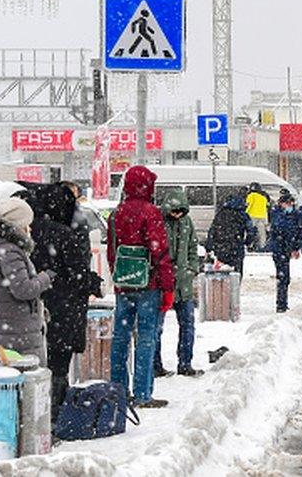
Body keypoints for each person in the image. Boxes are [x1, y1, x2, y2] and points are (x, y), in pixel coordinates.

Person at [25, 183, 102, 423]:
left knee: (35, 363)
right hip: (64, 307)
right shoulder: (64, 233)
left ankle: (34, 414)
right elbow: (78, 271)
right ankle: (55, 414)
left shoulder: (28, 231)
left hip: (33, 308)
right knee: (59, 362)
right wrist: (92, 283)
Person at [106, 165, 175, 409]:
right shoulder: (151, 212)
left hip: (124, 284)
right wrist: (167, 286)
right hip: (149, 284)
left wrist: (120, 276)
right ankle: (143, 393)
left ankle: (117, 391)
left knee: (120, 338)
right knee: (146, 337)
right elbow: (160, 252)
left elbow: (112, 251)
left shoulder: (116, 213)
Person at [0, 198, 54, 361]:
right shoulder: (9, 251)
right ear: (16, 225)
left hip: (0, 328)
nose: (29, 228)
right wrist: (45, 278)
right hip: (15, 331)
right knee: (25, 379)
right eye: (26, 224)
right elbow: (23, 289)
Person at [154, 189, 203, 377]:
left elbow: (192, 246)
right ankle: (156, 365)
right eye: (174, 211)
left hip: (184, 283)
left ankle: (185, 363)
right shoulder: (158, 222)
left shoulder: (186, 222)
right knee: (157, 327)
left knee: (187, 324)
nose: (177, 215)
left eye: (181, 211)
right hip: (162, 283)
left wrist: (191, 269)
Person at [206, 190, 256, 277]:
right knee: (237, 273)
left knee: (221, 272)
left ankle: (223, 288)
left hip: (220, 247)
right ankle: (235, 288)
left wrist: (209, 246)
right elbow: (251, 231)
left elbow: (212, 230)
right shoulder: (243, 215)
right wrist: (248, 242)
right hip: (236, 247)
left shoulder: (221, 214)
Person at [268, 193, 300, 313]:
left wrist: (295, 247)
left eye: (291, 203)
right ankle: (281, 304)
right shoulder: (278, 215)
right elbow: (285, 230)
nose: (290, 205)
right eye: (287, 203)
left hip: (283, 249)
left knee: (284, 277)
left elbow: (296, 231)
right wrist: (293, 247)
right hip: (280, 249)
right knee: (283, 277)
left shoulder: (293, 215)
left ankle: (282, 302)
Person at [245, 182, 270, 251]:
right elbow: (267, 206)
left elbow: (248, 205)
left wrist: (245, 212)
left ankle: (250, 245)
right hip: (263, 216)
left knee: (250, 231)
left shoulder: (251, 195)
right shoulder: (263, 196)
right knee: (262, 232)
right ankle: (262, 245)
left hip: (252, 216)